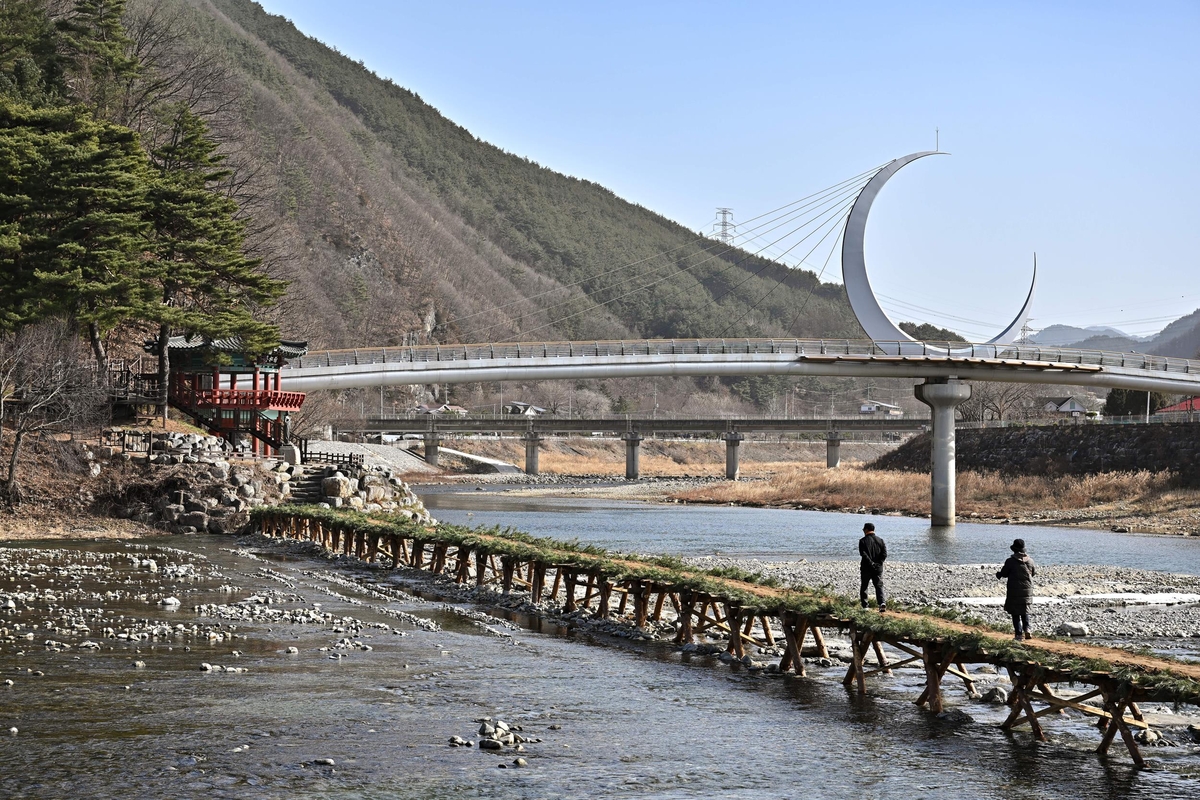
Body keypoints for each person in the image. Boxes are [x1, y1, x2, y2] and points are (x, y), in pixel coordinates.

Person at [997, 538, 1036, 641]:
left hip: (1014, 589)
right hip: (1028, 589)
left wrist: (999, 574)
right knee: (1025, 610)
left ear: (1014, 549)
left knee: (1015, 612)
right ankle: (1027, 629)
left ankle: (1018, 635)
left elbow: (1004, 573)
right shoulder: (1031, 561)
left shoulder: (1010, 561)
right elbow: (1033, 573)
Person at [858, 522, 887, 612]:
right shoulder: (880, 540)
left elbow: (863, 554)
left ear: (866, 530)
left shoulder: (862, 541)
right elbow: (884, 554)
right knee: (879, 586)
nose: (863, 530)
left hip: (866, 567)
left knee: (864, 586)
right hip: (878, 568)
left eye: (863, 529)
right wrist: (878, 563)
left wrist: (871, 563)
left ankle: (865, 605)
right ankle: (882, 603)